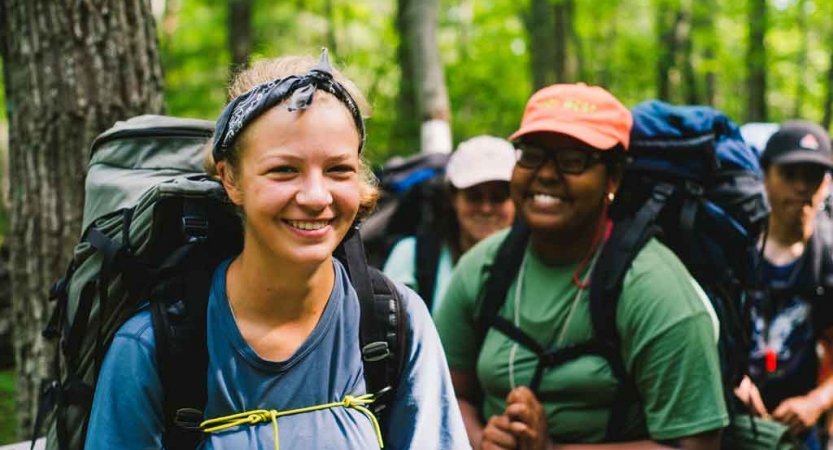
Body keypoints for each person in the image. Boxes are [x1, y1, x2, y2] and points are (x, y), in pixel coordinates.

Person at [84, 51, 470, 449]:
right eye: (284, 170)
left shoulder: (394, 323)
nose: (316, 196)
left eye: (339, 170)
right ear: (230, 179)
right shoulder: (155, 347)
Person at [434, 83, 728, 449]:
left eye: (573, 160)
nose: (546, 174)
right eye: (532, 154)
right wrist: (480, 441)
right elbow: (446, 392)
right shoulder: (484, 267)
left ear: (614, 179)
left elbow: (695, 445)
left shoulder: (656, 289)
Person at [735, 120, 833, 450]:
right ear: (765, 176)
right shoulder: (735, 245)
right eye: (790, 174)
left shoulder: (829, 256)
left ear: (827, 183)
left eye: (813, 175)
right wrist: (729, 379)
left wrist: (815, 403)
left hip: (800, 427)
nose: (802, 187)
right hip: (732, 417)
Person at [383, 135, 516, 313]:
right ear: (453, 197)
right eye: (474, 197)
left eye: (498, 197)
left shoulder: (531, 260)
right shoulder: (411, 256)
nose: (486, 208)